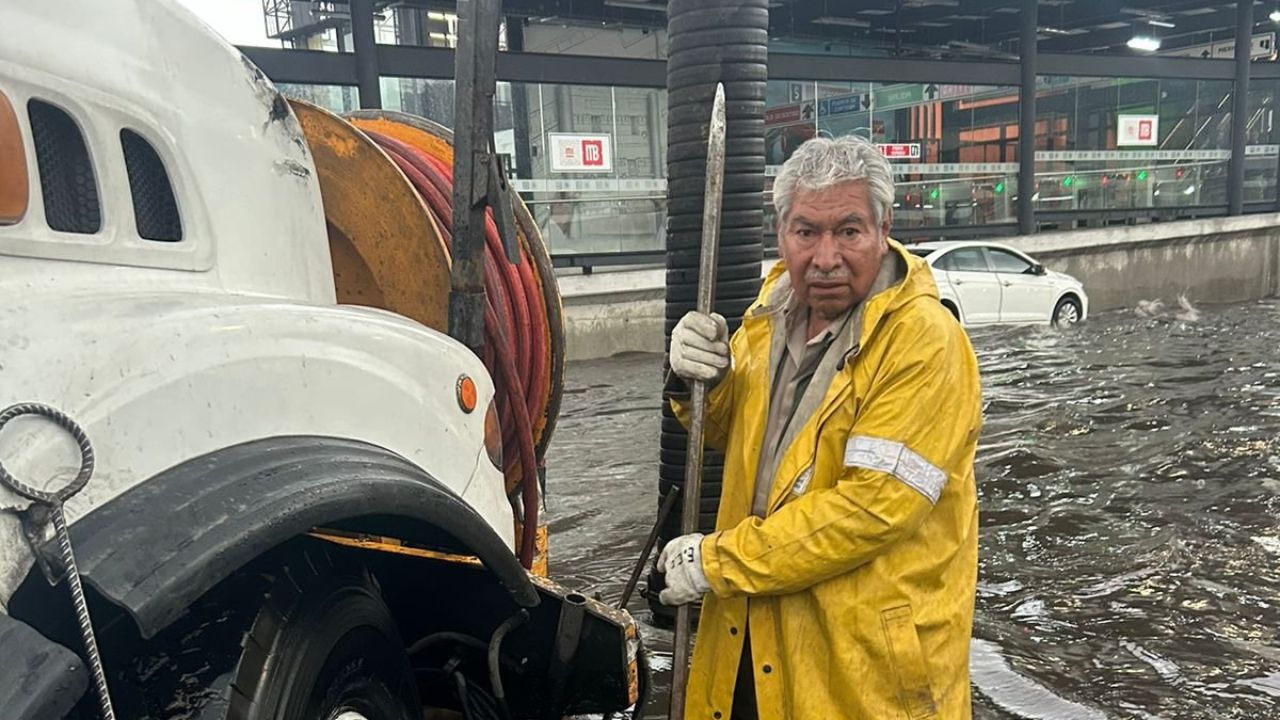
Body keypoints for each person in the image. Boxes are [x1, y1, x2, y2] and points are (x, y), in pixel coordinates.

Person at [658, 135, 982, 720]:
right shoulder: (767, 318)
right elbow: (742, 438)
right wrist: (698, 381)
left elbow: (872, 508)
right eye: (806, 232)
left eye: (848, 231)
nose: (825, 257)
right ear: (780, 232)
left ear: (884, 229)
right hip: (751, 641)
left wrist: (717, 563)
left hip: (860, 671)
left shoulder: (924, 343)